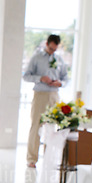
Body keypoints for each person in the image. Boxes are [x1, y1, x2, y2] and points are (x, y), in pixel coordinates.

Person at [24, 34, 68, 168]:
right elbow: (26, 76)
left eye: (54, 49)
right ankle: (32, 159)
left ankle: (49, 158)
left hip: (54, 95)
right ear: (46, 44)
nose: (52, 51)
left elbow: (66, 78)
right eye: (50, 48)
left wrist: (60, 83)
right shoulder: (36, 58)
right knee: (36, 126)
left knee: (52, 127)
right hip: (40, 94)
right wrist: (40, 78)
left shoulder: (60, 59)